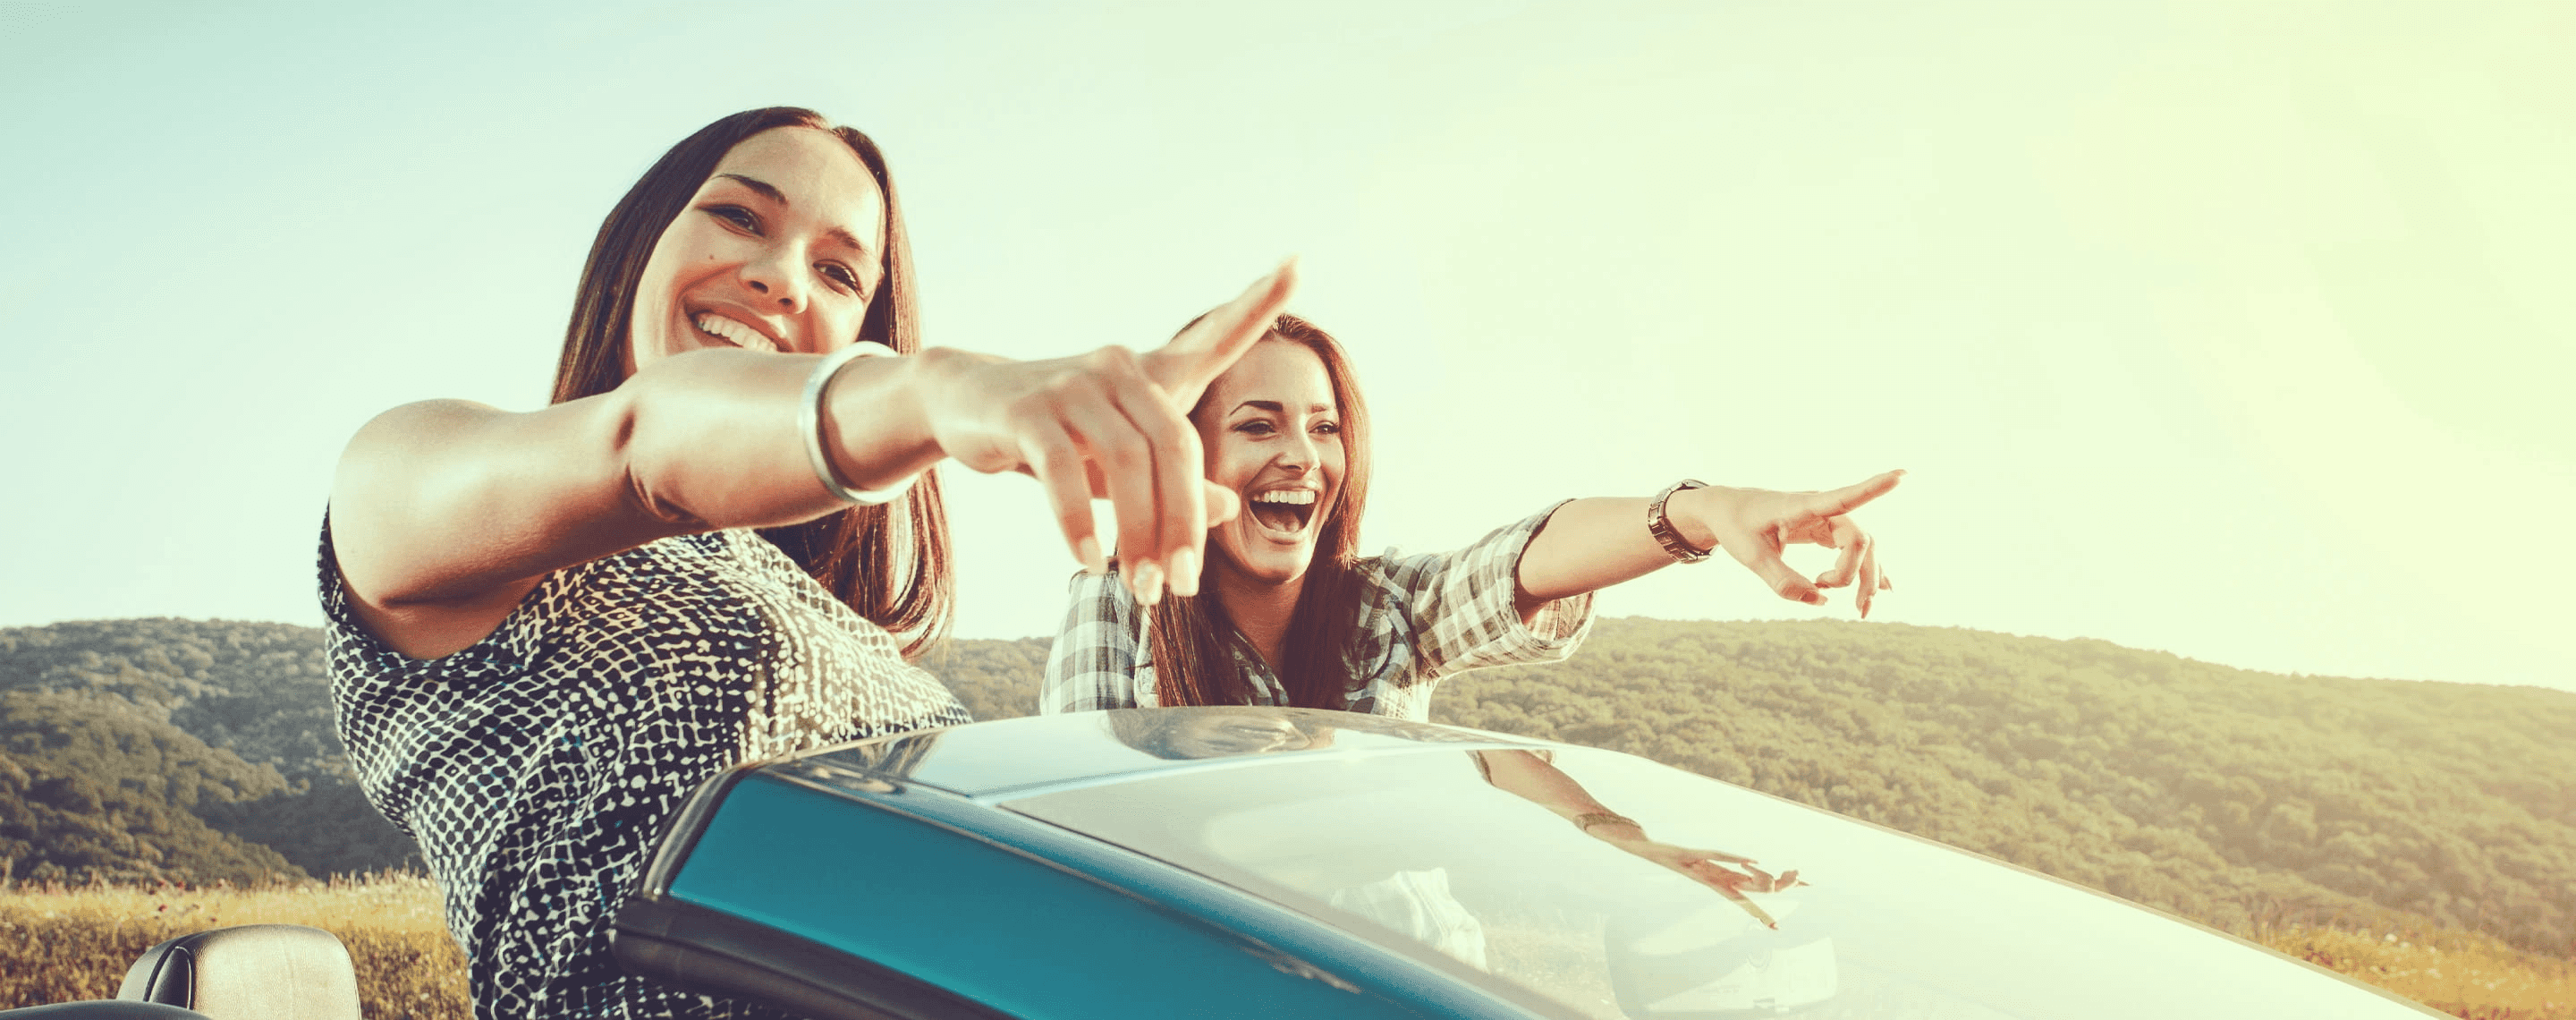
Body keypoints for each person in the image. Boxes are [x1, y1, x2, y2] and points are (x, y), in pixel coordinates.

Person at [319, 106, 1293, 1018]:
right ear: (636, 249)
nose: (782, 279)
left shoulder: (824, 619)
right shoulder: (414, 479)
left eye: (839, 274)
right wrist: (932, 391)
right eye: (741, 215)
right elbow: (643, 441)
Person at [1042, 313, 1899, 721]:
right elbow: (1083, 859)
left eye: (1326, 427)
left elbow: (1518, 565)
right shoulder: (1117, 610)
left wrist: (1705, 512)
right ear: (1181, 452)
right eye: (1258, 425)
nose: (1302, 455)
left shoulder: (1382, 611)